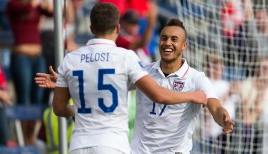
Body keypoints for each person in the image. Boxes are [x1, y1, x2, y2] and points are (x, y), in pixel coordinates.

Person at [46, 3, 206, 154]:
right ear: (117, 28)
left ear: (91, 28)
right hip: (113, 145)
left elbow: (59, 109)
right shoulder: (125, 57)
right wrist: (191, 95)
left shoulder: (71, 59)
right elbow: (159, 95)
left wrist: (81, 109)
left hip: (79, 146)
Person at [130, 18, 235, 154]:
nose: (168, 43)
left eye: (174, 39)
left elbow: (215, 107)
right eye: (164, 38)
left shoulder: (196, 78)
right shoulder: (143, 72)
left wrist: (223, 118)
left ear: (184, 45)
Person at [6, 0, 53, 145]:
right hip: (21, 56)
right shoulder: (12, 4)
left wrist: (47, 4)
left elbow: (52, 13)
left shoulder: (36, 5)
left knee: (38, 97)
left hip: (38, 56)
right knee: (23, 96)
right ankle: (22, 138)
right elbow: (25, 10)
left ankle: (29, 136)